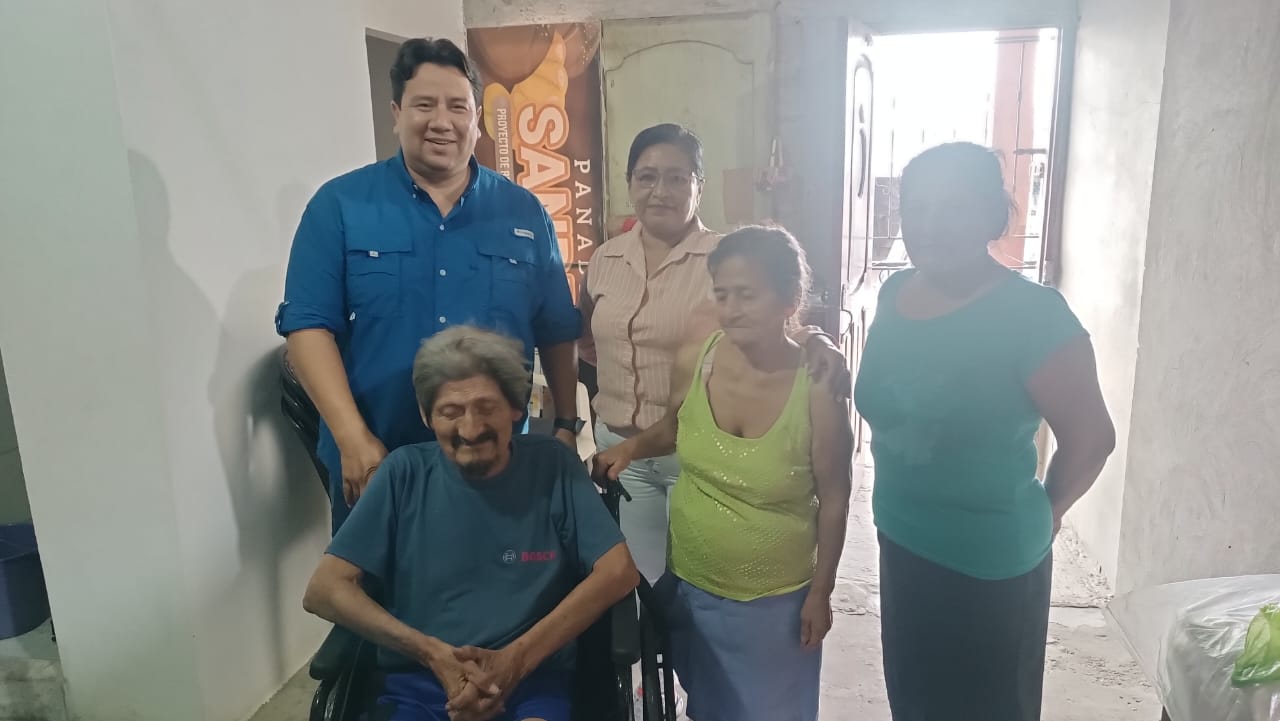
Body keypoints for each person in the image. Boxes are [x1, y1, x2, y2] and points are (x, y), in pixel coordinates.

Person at [276, 37, 584, 534]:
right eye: (424, 105)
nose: (442, 121)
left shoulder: (525, 214)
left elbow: (556, 328)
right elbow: (308, 328)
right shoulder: (339, 206)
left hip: (497, 462)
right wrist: (352, 438)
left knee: (500, 579)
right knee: (375, 582)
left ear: (477, 119)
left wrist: (567, 425)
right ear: (396, 113)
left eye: (457, 107)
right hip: (376, 462)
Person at [853, 142, 1116, 721]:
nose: (931, 224)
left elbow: (1092, 439)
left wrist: (1048, 512)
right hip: (900, 539)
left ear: (990, 214)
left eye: (953, 207)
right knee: (916, 704)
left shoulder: (1034, 315)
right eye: (917, 208)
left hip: (992, 565)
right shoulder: (895, 294)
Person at [303, 325, 639, 721]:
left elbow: (619, 571)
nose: (470, 429)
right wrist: (432, 654)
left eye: (486, 407)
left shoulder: (553, 465)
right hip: (417, 682)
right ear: (426, 416)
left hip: (533, 680)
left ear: (516, 408)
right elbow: (324, 589)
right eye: (450, 412)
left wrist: (516, 660)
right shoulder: (402, 473)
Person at [594, 225, 853, 721]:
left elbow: (836, 496)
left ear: (789, 299)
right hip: (691, 584)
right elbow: (676, 426)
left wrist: (821, 593)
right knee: (708, 705)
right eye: (723, 294)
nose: (732, 309)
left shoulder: (818, 385)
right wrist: (631, 448)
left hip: (773, 604)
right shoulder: (702, 355)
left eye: (748, 295)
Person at [580, 123, 850, 583]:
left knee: (698, 576)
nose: (660, 191)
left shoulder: (725, 258)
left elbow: (780, 322)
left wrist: (818, 340)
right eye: (646, 177)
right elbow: (587, 336)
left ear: (699, 186)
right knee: (642, 583)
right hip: (619, 451)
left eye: (677, 178)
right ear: (630, 184)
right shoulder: (604, 259)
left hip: (696, 451)